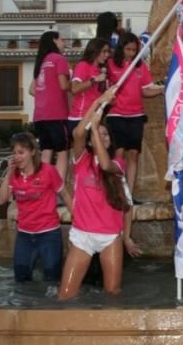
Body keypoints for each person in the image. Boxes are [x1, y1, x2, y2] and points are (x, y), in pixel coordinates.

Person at [58, 88, 141, 300]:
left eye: (106, 134)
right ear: (89, 143)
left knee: (112, 293)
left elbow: (104, 164)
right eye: (99, 133)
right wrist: (98, 101)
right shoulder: (81, 160)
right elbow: (77, 133)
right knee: (65, 295)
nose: (103, 136)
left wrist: (94, 128)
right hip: (82, 234)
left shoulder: (117, 163)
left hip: (110, 236)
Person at [0, 132, 71, 283]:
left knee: (52, 279)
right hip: (24, 235)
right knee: (21, 279)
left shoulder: (48, 171)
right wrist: (9, 173)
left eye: (21, 152)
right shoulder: (14, 174)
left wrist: (77, 219)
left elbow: (65, 195)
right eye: (15, 152)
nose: (17, 156)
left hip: (48, 234)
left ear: (32, 152)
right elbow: (1, 200)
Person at [105, 31, 162, 204]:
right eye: (128, 49)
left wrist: (163, 88)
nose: (131, 53)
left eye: (134, 50)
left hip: (136, 115)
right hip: (116, 115)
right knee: (119, 153)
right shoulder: (110, 65)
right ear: (121, 48)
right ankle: (117, 192)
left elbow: (146, 90)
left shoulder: (140, 66)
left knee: (134, 155)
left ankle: (128, 195)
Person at [30, 31, 71, 181]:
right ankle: (60, 188)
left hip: (40, 115)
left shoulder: (40, 62)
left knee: (46, 151)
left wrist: (45, 95)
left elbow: (31, 89)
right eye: (61, 39)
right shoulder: (59, 59)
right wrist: (78, 84)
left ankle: (40, 185)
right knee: (62, 151)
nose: (64, 41)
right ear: (54, 40)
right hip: (57, 113)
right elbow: (63, 85)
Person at [68, 38, 111, 140]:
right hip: (80, 116)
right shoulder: (83, 65)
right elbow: (74, 88)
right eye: (104, 51)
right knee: (82, 153)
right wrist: (94, 80)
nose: (107, 55)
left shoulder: (100, 70)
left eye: (108, 52)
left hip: (94, 116)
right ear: (95, 50)